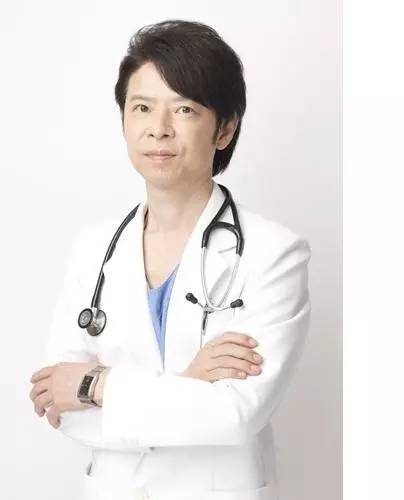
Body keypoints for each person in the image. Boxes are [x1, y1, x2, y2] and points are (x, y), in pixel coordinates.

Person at [29, 19, 311, 500]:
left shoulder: (274, 253)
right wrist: (188, 385)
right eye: (142, 107)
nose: (158, 129)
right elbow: (57, 404)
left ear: (225, 129)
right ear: (124, 119)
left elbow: (235, 416)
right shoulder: (93, 248)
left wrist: (96, 386)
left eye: (184, 109)